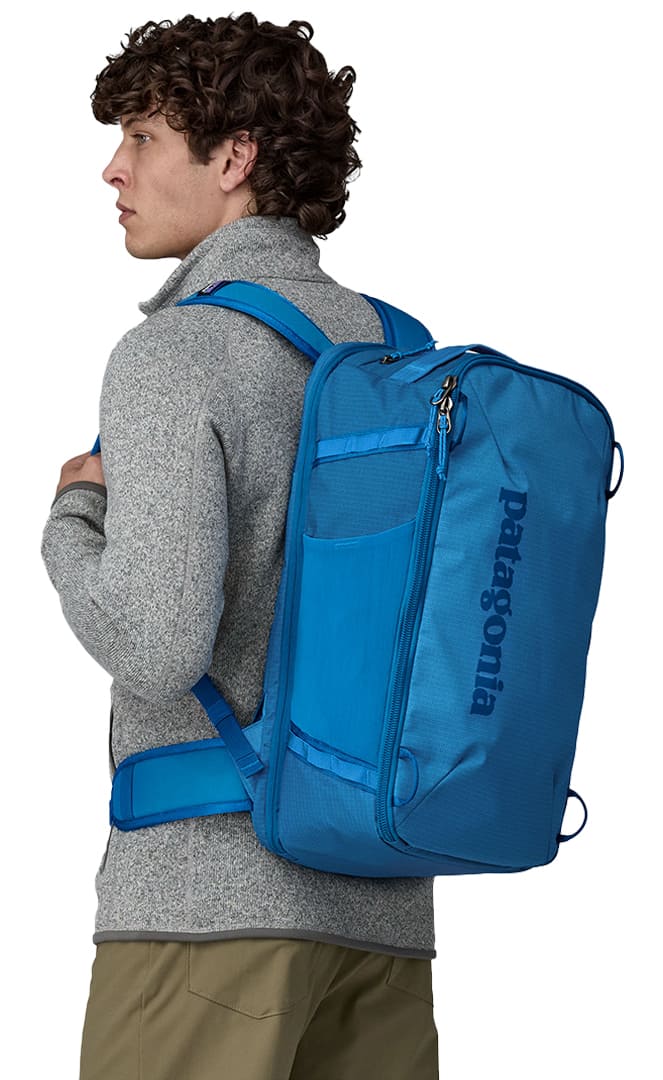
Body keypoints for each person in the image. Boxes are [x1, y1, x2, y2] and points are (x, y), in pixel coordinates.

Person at [40, 12, 439, 1079]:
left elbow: (158, 645)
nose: (113, 169)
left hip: (204, 916)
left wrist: (69, 523)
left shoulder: (177, 354)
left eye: (142, 138)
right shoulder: (397, 357)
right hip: (383, 915)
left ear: (234, 160)